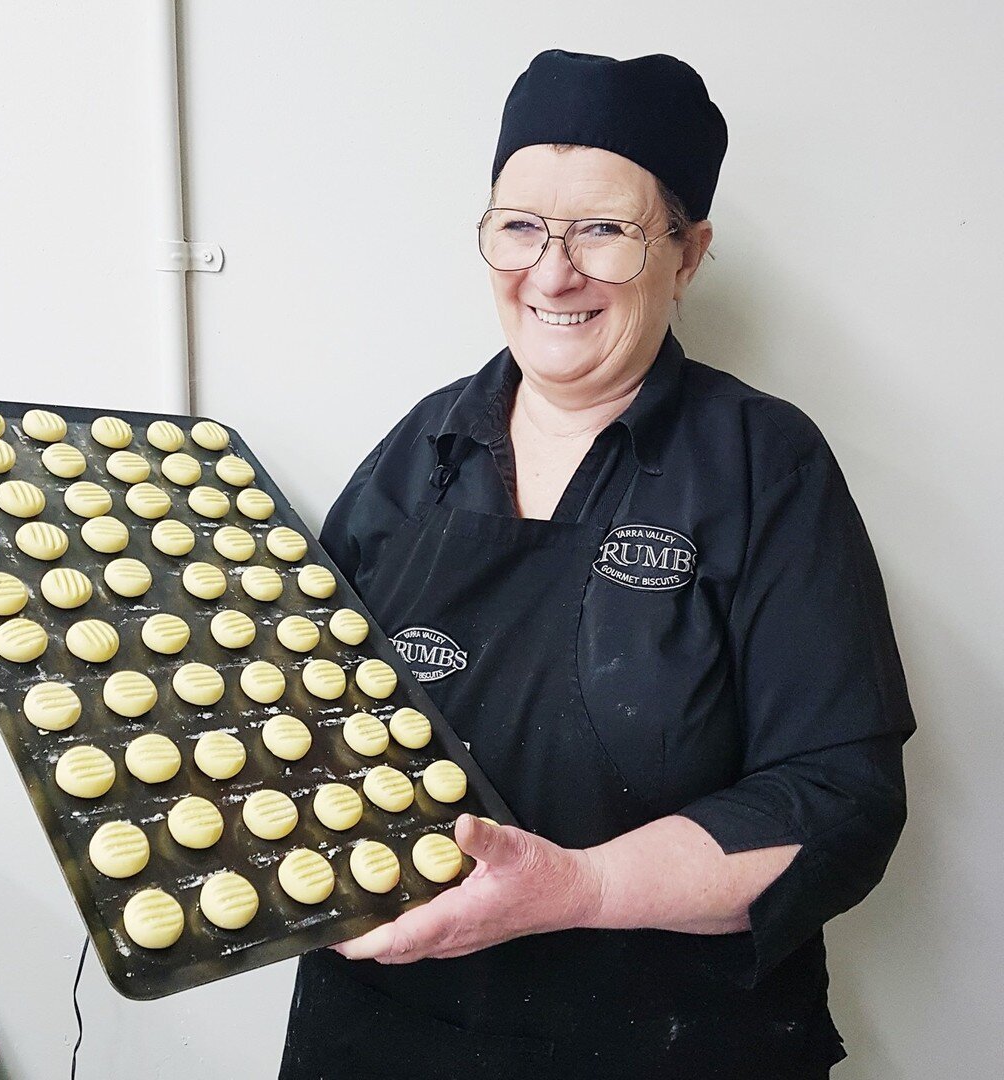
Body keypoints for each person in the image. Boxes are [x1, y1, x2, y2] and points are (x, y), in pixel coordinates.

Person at [278, 49, 916, 1080]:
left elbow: (839, 798)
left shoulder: (764, 464)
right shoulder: (421, 446)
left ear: (688, 251)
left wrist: (577, 887)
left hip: (665, 1042)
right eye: (520, 226)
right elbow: (301, 701)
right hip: (380, 1029)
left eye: (605, 231)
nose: (553, 271)